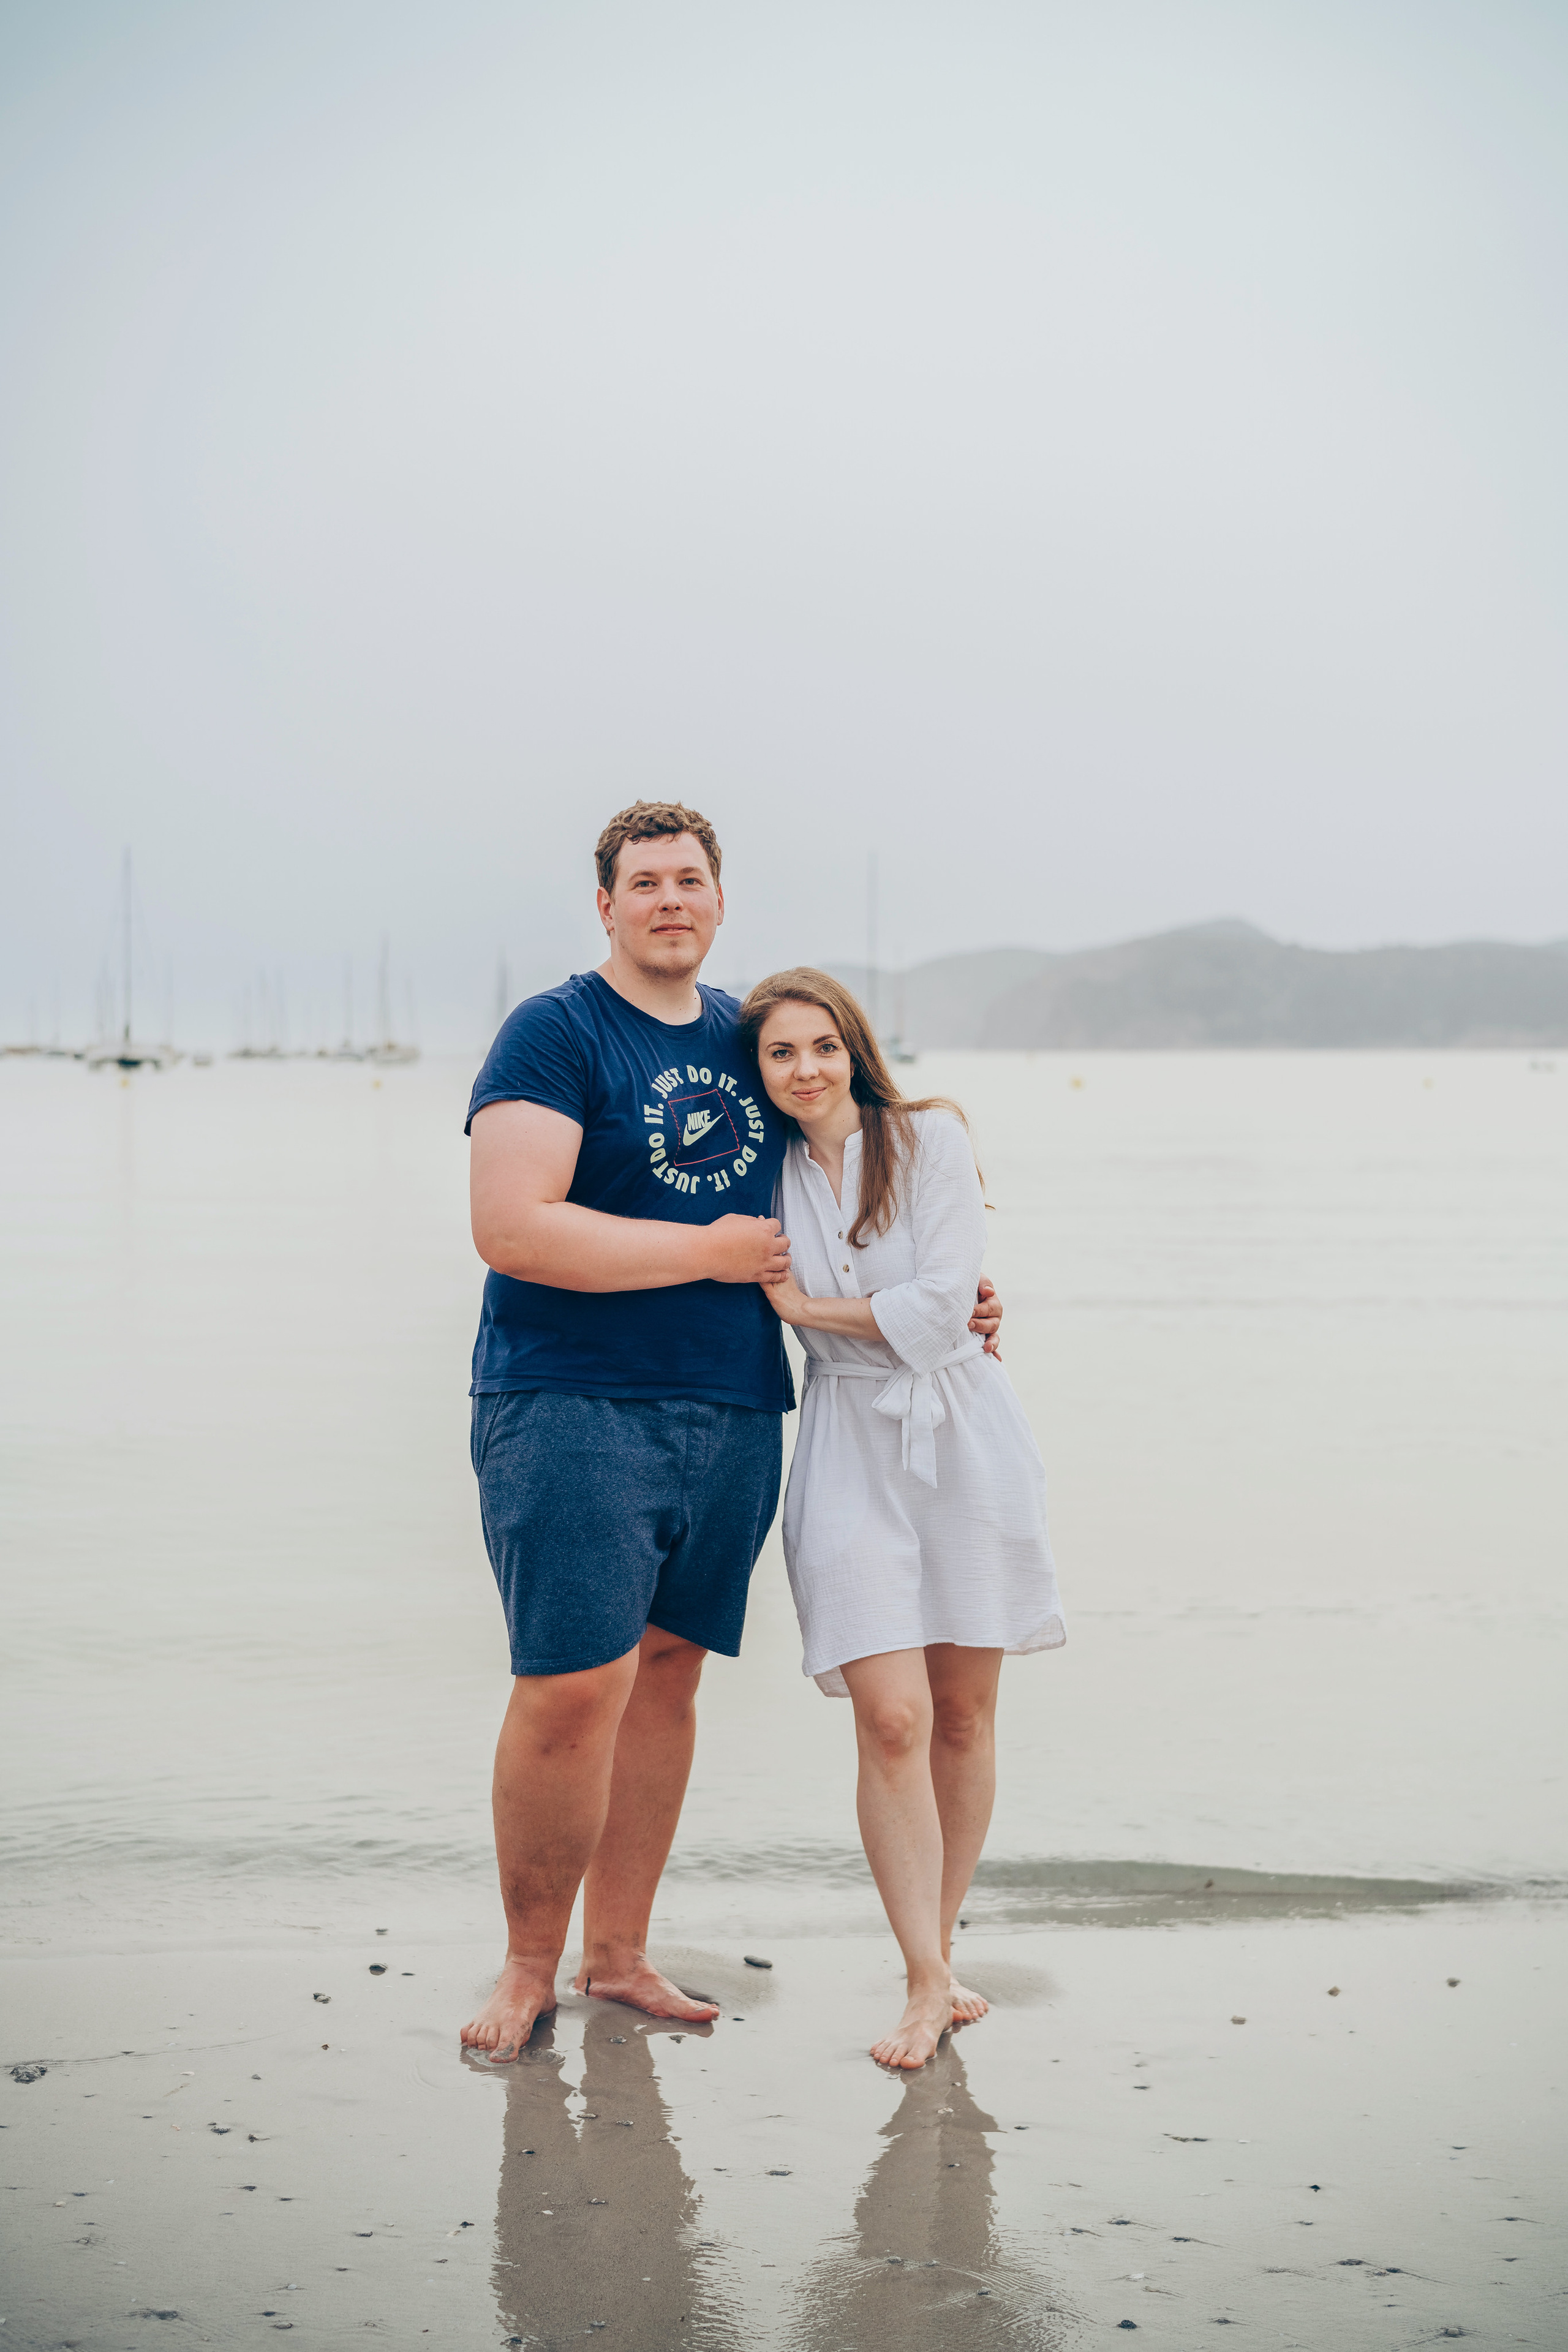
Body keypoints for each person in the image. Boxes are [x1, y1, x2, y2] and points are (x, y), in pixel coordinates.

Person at [459, 803, 1003, 2060]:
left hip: (738, 1406)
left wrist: (951, 1295)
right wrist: (699, 1251)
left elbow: (858, 1182)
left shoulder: (753, 1039)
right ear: (604, 905)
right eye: (641, 882)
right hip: (570, 1398)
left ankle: (621, 1954)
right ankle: (531, 1964)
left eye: (688, 880)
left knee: (665, 1678)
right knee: (568, 1687)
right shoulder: (555, 1031)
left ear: (717, 901)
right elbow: (510, 1224)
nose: (667, 901)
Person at [739, 968, 1064, 2071]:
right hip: (842, 1442)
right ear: (761, 1071)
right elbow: (915, 1311)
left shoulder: (927, 1143)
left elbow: (940, 1313)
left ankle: (938, 1955)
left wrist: (807, 1309)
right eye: (781, 1053)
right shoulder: (759, 1176)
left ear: (855, 1047)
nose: (805, 1069)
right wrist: (875, 1322)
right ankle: (926, 1979)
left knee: (965, 1718)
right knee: (891, 1719)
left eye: (823, 1045)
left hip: (964, 1436)